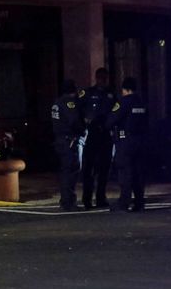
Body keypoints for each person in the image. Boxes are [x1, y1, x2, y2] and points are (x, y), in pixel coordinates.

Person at [106, 77, 148, 212]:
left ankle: (123, 203)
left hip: (126, 141)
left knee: (125, 172)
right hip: (141, 142)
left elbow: (110, 120)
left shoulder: (124, 102)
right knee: (138, 173)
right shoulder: (141, 102)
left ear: (125, 89)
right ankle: (139, 203)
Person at [80, 67, 115, 210]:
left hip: (105, 135)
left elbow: (115, 112)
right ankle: (87, 199)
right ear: (96, 78)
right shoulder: (87, 93)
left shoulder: (111, 94)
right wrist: (85, 124)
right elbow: (79, 110)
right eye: (100, 78)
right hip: (92, 134)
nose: (102, 81)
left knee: (104, 170)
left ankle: (101, 198)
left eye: (104, 78)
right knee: (89, 169)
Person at [51, 79, 84, 211]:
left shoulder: (57, 102)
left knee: (65, 170)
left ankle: (66, 200)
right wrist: (82, 130)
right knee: (71, 171)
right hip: (69, 141)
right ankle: (68, 201)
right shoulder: (69, 103)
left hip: (60, 140)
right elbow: (73, 121)